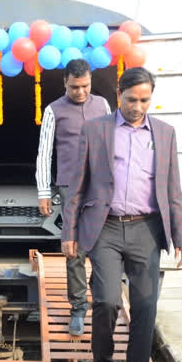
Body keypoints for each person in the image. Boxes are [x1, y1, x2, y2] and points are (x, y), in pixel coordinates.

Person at [61, 67, 182, 362]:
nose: (137, 106)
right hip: (104, 227)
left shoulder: (164, 134)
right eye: (131, 99)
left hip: (146, 229)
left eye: (145, 100)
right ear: (119, 93)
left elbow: (172, 190)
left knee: (146, 307)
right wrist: (69, 233)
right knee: (104, 300)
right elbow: (77, 185)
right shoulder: (96, 129)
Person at [35, 59, 110, 336]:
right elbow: (44, 153)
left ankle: (102, 301)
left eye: (85, 86)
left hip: (101, 186)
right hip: (69, 187)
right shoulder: (53, 110)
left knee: (104, 246)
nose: (80, 92)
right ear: (64, 82)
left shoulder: (102, 105)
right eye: (74, 87)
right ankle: (78, 307)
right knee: (74, 249)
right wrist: (44, 191)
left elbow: (113, 143)